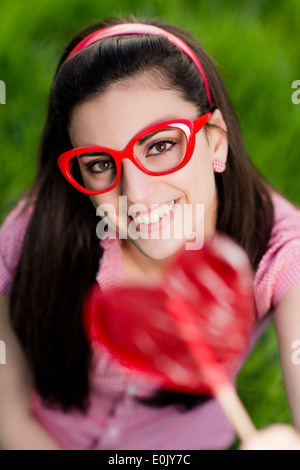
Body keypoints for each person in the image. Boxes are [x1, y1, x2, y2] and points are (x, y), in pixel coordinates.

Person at [1, 14, 300, 451]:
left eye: (160, 146)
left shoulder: (281, 250)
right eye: (101, 164)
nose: (135, 194)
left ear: (215, 141)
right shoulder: (34, 234)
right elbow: (7, 411)